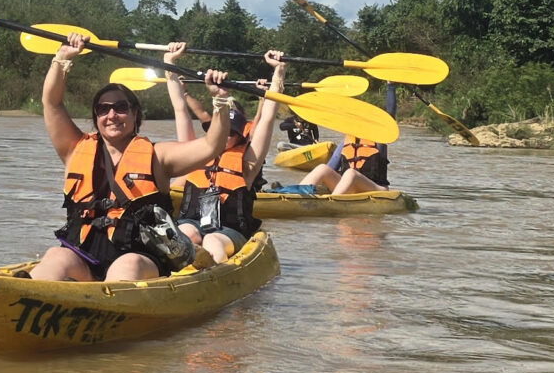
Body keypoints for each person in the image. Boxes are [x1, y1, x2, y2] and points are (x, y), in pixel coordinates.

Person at [32, 32, 231, 283]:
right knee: (55, 257)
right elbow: (51, 103)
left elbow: (212, 146)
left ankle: (108, 311)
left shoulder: (158, 156)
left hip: (139, 260)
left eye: (121, 107)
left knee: (126, 265)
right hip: (85, 258)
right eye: (103, 109)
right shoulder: (74, 149)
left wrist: (220, 101)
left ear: (135, 114)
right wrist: (61, 59)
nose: (112, 115)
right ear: (96, 118)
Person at [167, 48, 282, 264]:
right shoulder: (195, 153)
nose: (225, 135)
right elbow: (180, 109)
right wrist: (170, 64)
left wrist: (279, 73)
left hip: (228, 231)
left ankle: (210, 276)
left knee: (211, 241)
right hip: (192, 222)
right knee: (183, 235)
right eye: (222, 129)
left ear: (240, 135)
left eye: (231, 132)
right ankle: (179, 270)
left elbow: (267, 118)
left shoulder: (248, 162)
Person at [302, 84, 396, 194]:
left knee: (351, 173)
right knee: (322, 168)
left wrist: (391, 86)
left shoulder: (379, 138)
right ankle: (293, 194)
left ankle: (332, 204)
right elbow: (331, 168)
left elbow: (390, 118)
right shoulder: (346, 142)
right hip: (349, 187)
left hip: (376, 189)